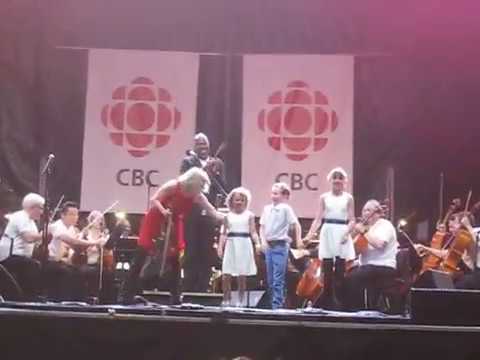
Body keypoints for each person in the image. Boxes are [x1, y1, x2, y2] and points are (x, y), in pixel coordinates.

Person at [118, 167, 225, 305]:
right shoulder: (174, 186)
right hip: (156, 219)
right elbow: (155, 200)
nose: (202, 188)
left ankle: (175, 295)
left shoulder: (197, 196)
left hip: (174, 224)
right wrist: (164, 211)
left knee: (175, 260)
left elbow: (212, 212)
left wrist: (227, 218)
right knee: (142, 255)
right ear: (193, 181)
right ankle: (126, 293)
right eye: (201, 184)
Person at [180, 132, 227, 292]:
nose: (203, 147)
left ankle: (203, 287)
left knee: (207, 250)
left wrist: (215, 173)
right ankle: (188, 288)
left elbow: (222, 185)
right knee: (191, 249)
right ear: (194, 147)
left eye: (205, 144)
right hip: (192, 211)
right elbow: (184, 182)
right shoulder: (188, 162)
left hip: (209, 212)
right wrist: (202, 169)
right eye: (199, 144)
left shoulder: (217, 163)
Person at [304, 167, 355, 309]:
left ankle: (339, 302)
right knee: (326, 267)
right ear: (330, 180)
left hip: (341, 231)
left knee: (340, 268)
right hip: (328, 230)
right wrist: (309, 235)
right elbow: (318, 219)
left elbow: (352, 220)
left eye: (340, 178)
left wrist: (346, 234)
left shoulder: (348, 198)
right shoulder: (324, 197)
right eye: (335, 178)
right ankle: (327, 301)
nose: (337, 180)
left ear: (344, 181)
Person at [344, 199, 399, 311]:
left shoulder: (385, 225)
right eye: (364, 210)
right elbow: (356, 250)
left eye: (368, 210)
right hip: (368, 266)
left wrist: (363, 232)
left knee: (353, 277)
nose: (365, 213)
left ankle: (357, 310)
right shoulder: (368, 228)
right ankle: (351, 309)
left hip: (383, 266)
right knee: (343, 274)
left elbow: (379, 244)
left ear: (378, 213)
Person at [44, 201, 98, 301]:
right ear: (63, 215)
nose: (75, 217)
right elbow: (72, 241)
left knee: (80, 272)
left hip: (63, 262)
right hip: (51, 262)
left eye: (76, 214)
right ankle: (63, 300)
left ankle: (78, 301)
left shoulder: (72, 229)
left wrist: (86, 244)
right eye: (71, 214)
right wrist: (94, 242)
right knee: (69, 272)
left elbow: (75, 248)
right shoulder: (57, 226)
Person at [259, 182, 301, 310]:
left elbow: (296, 224)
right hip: (269, 246)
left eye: (276, 193)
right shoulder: (267, 209)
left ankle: (277, 306)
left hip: (280, 246)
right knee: (270, 279)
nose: (274, 195)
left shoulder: (286, 209)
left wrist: (298, 239)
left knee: (278, 278)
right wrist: (263, 242)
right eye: (272, 193)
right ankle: (273, 304)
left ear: (284, 195)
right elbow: (262, 227)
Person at [217, 187, 260, 306]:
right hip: (231, 243)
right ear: (232, 201)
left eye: (242, 200)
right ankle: (226, 299)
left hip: (244, 243)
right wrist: (220, 246)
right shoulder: (227, 216)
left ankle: (240, 300)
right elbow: (224, 233)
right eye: (237, 200)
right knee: (226, 273)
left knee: (242, 275)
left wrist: (257, 243)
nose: (239, 202)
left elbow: (253, 232)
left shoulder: (249, 215)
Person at [0, 193, 44, 300]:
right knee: (32, 265)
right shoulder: (20, 216)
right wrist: (44, 235)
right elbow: (28, 238)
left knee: (37, 263)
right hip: (9, 256)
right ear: (32, 207)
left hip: (22, 257)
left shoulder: (31, 222)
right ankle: (29, 298)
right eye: (41, 208)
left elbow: (35, 242)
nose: (42, 212)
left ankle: (30, 297)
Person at [76, 210, 115, 303]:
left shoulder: (104, 235)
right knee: (87, 271)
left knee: (107, 273)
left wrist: (102, 247)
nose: (99, 222)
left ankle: (104, 299)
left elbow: (109, 252)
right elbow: (77, 246)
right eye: (96, 219)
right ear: (91, 220)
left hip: (100, 263)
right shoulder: (85, 233)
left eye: (101, 219)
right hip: (86, 261)